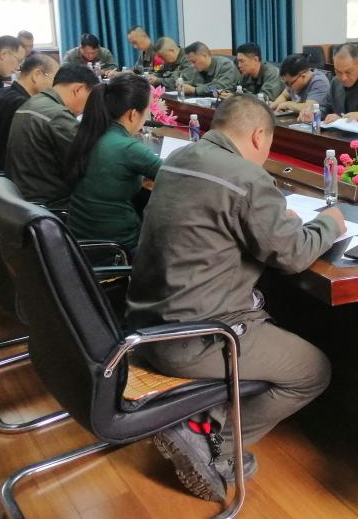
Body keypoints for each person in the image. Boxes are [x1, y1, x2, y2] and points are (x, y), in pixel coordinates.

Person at [126, 94, 346, 502]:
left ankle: (199, 419)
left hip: (145, 325)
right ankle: (215, 447)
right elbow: (294, 255)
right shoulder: (247, 178)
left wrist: (276, 221)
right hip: (197, 337)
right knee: (314, 371)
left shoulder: (178, 158)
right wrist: (328, 224)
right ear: (259, 136)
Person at [66, 73, 162, 252]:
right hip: (118, 247)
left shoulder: (88, 133)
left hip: (77, 239)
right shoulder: (128, 148)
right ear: (133, 114)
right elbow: (178, 177)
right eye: (148, 110)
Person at [5, 64, 99, 205]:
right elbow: (92, 157)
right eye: (90, 98)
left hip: (24, 197)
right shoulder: (57, 115)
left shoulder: (33, 102)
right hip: (50, 202)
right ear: (78, 89)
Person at [0, 54, 59, 171]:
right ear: (37, 75)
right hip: (5, 173)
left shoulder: (1, 92)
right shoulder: (24, 106)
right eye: (54, 79)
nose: (55, 87)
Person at [299, 44, 358, 127]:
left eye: (348, 72)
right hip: (337, 134)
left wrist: (342, 120)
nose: (343, 78)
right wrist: (313, 113)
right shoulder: (336, 81)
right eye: (338, 72)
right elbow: (326, 108)